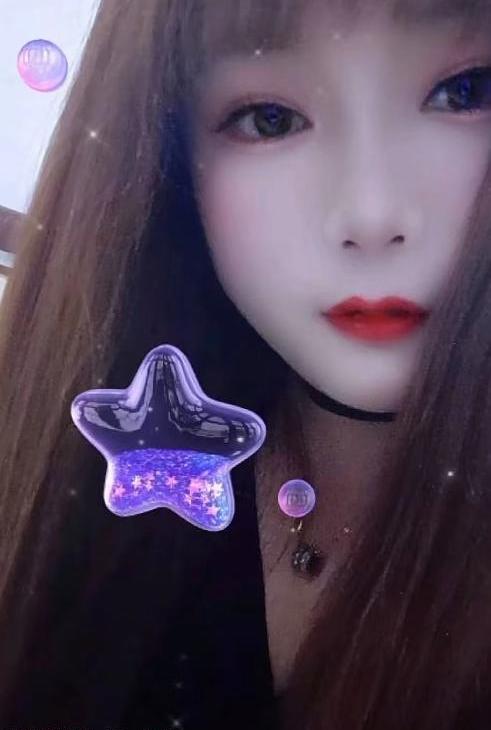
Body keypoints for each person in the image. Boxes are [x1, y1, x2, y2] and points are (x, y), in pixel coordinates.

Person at [1, 0, 491, 727]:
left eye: (467, 92)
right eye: (269, 119)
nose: (371, 216)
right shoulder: (78, 493)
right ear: (168, 165)